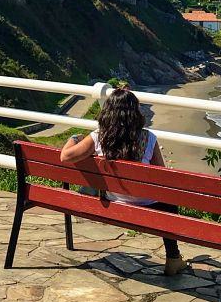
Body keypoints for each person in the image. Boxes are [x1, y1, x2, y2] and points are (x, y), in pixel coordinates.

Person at [60, 87, 189, 276]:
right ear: (135, 113)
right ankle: (173, 258)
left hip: (113, 202)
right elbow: (162, 178)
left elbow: (65, 156)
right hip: (146, 204)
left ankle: (174, 258)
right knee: (169, 201)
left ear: (108, 112)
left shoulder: (99, 136)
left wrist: (73, 138)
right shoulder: (148, 137)